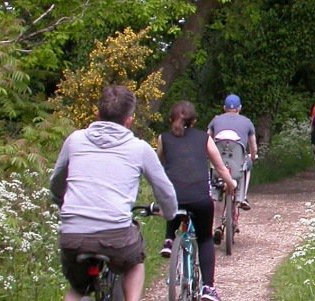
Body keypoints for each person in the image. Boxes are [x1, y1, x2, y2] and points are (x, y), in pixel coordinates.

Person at [50, 85, 179, 301]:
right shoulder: (139, 148)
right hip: (116, 236)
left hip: (73, 234)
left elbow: (56, 181)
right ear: (129, 120)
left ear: (97, 113)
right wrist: (169, 213)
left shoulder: (75, 140)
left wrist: (62, 202)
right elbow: (165, 190)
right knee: (135, 262)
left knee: (78, 289)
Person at [156, 101, 237, 301]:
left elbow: (159, 167)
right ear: (195, 121)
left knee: (173, 196)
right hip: (200, 199)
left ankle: (168, 240)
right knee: (205, 239)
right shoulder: (204, 138)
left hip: (174, 199)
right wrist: (231, 184)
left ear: (170, 119)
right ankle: (208, 288)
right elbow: (220, 167)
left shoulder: (163, 139)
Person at [207, 94, 258, 242]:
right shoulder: (247, 122)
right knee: (246, 165)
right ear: (239, 108)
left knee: (217, 190)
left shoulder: (215, 120)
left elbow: (207, 139)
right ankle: (242, 197)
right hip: (237, 164)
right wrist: (253, 156)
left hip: (218, 164)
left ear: (224, 108)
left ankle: (217, 226)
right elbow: (253, 146)